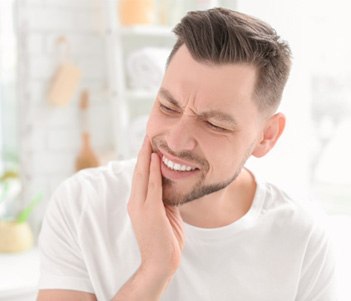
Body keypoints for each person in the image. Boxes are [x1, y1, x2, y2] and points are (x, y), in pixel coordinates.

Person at [37, 7, 336, 301]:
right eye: (168, 106)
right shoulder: (82, 205)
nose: (177, 141)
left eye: (214, 124)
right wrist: (155, 270)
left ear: (266, 136)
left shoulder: (302, 239)